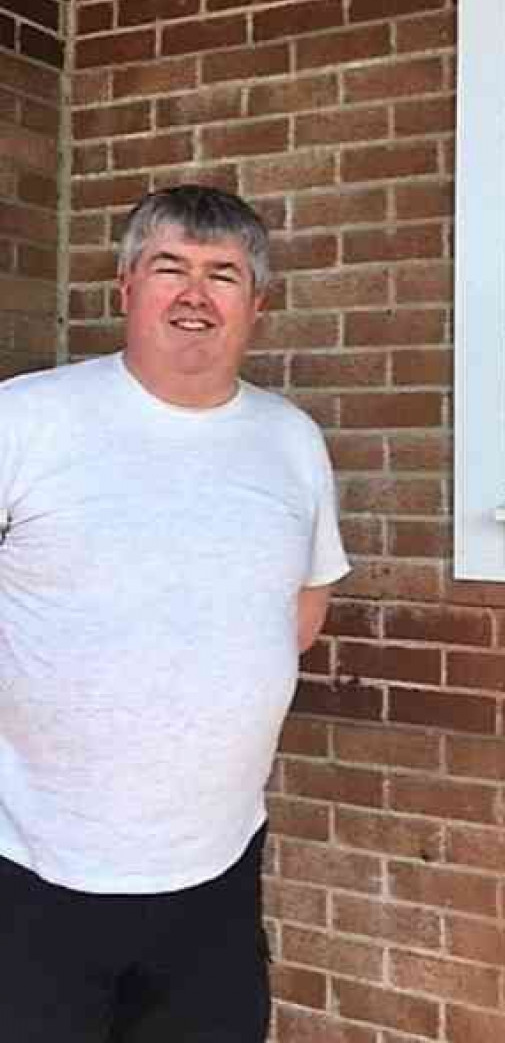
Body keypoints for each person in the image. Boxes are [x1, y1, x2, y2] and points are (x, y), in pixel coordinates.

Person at [0, 185, 349, 1041]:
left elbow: (302, 609)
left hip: (215, 875)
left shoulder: (291, 439)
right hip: (34, 868)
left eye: (223, 275)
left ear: (256, 304)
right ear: (126, 288)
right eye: (170, 268)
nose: (195, 294)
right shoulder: (24, 418)